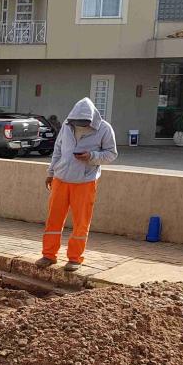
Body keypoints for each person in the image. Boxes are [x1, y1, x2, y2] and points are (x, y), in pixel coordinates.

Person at [37, 97, 117, 272]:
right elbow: (57, 150)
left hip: (85, 182)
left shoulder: (104, 129)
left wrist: (91, 156)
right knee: (53, 219)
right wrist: (51, 173)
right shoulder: (66, 126)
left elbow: (111, 154)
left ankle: (75, 258)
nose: (80, 125)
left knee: (81, 221)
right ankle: (49, 255)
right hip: (61, 178)